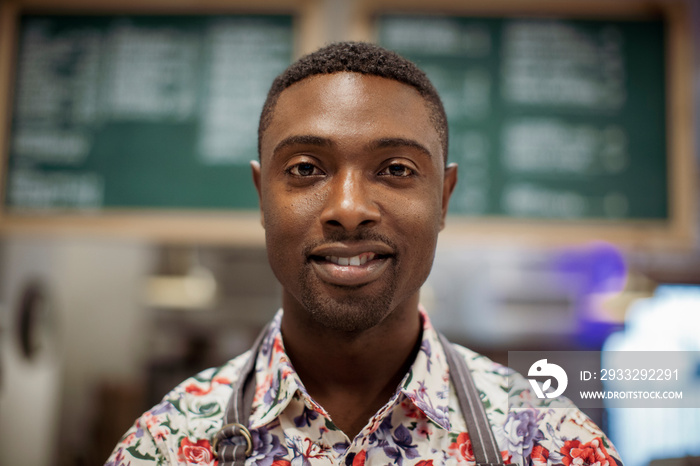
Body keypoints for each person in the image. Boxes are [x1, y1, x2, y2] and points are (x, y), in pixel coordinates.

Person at [107, 42, 623, 466]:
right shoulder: (167, 444)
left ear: (443, 198)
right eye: (306, 168)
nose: (349, 209)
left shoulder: (554, 444)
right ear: (262, 195)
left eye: (396, 169)